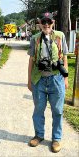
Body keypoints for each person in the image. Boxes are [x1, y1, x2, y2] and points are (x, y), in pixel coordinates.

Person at [28, 12, 68, 153]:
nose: (46, 24)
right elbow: (31, 60)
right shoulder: (35, 38)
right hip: (39, 79)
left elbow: (64, 57)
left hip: (56, 79)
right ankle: (39, 135)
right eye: (43, 22)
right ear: (40, 23)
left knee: (57, 110)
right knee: (38, 110)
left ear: (53, 23)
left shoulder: (60, 36)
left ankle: (56, 139)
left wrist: (66, 78)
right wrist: (29, 81)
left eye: (48, 22)